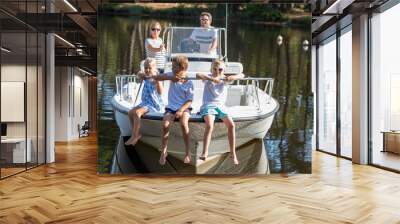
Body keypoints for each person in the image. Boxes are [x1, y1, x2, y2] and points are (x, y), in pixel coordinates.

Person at [196, 59, 244, 165]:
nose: (217, 71)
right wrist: (211, 78)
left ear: (223, 70)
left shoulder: (225, 78)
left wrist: (233, 77)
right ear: (211, 69)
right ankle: (205, 152)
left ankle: (233, 153)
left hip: (221, 107)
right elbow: (198, 75)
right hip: (208, 105)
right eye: (215, 69)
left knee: (231, 125)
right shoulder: (208, 77)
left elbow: (242, 75)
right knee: (210, 125)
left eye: (220, 69)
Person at [154, 56, 194, 165]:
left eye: (174, 67)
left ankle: (187, 152)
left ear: (182, 67)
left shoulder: (189, 81)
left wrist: (181, 110)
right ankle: (164, 151)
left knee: (184, 124)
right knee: (165, 125)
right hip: (171, 107)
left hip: (184, 107)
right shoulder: (171, 75)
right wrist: (170, 78)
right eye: (171, 67)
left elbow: (189, 101)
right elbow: (158, 77)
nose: (172, 69)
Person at [125, 58, 164, 146]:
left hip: (153, 104)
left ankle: (135, 136)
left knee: (137, 113)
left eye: (149, 68)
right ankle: (135, 133)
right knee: (130, 112)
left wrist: (158, 82)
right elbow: (139, 74)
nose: (147, 70)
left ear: (155, 68)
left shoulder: (156, 78)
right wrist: (141, 74)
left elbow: (161, 92)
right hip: (145, 102)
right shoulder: (146, 76)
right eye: (146, 68)